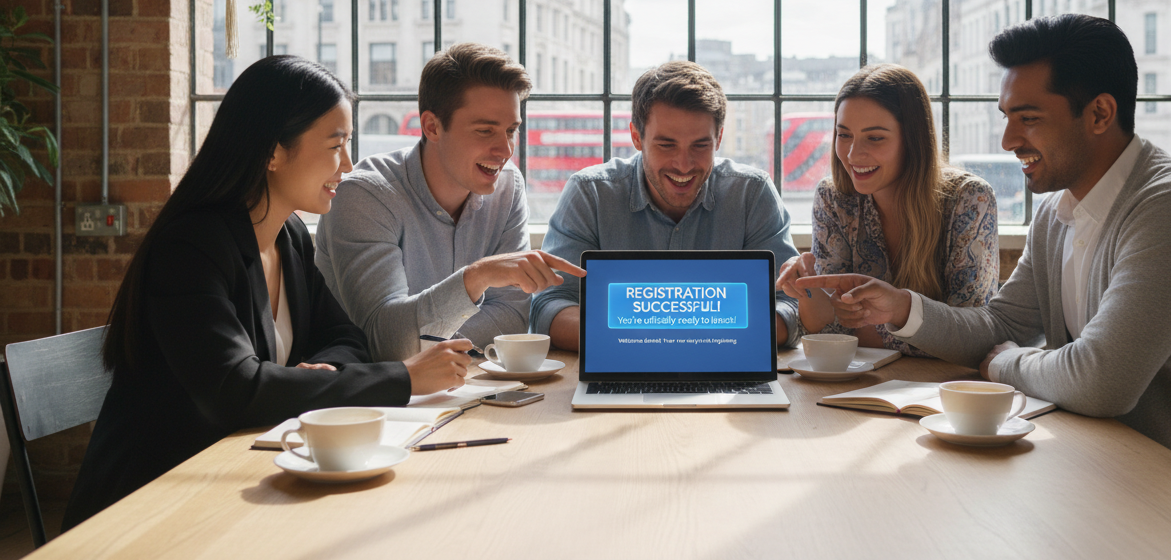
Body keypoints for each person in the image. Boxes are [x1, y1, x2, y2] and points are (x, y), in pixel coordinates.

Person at [794, 14, 1171, 521]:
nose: (1008, 140)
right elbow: (1000, 327)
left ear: (1099, 114)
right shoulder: (1057, 212)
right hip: (1118, 477)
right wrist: (902, 306)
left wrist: (1003, 364)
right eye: (1006, 117)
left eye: (1029, 118)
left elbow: (1098, 382)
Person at [64, 56, 474, 529]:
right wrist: (404, 378)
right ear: (273, 152)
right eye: (335, 145)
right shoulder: (192, 246)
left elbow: (347, 339)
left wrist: (314, 375)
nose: (348, 164)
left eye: (350, 144)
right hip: (150, 504)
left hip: (237, 478)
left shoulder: (289, 236)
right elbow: (235, 390)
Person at [316, 43, 582, 361]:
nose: (505, 150)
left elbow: (512, 318)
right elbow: (385, 342)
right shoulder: (365, 195)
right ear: (432, 126)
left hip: (460, 389)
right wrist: (477, 277)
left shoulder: (508, 187)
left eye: (511, 130)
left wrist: (423, 341)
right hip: (370, 401)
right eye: (485, 131)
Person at [531, 61, 801, 351]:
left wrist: (668, 340)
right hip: (625, 364)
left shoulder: (752, 193)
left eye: (700, 146)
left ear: (719, 138)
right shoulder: (590, 193)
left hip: (722, 369)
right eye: (666, 145)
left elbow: (791, 304)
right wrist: (659, 343)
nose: (683, 165)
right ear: (637, 137)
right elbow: (549, 306)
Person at [776, 65, 998, 356]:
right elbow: (830, 331)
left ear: (913, 139)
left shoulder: (969, 199)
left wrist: (874, 328)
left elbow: (973, 336)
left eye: (875, 137)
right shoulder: (833, 197)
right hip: (865, 381)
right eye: (844, 135)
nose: (853, 154)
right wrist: (808, 289)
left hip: (941, 386)